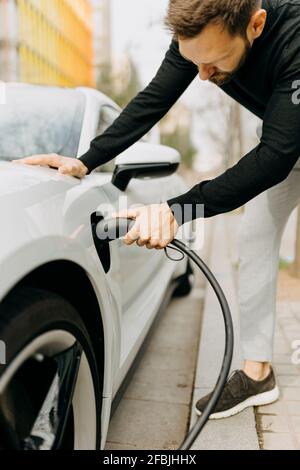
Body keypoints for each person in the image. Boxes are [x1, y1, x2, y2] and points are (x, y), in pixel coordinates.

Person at [15, 0, 300, 419]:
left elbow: (275, 156)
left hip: (283, 140)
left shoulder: (293, 38)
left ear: (256, 26)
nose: (203, 77)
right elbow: (153, 100)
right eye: (193, 62)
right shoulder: (202, 36)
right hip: (279, 136)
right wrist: (86, 160)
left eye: (215, 62)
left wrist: (176, 210)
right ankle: (258, 374)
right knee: (254, 237)